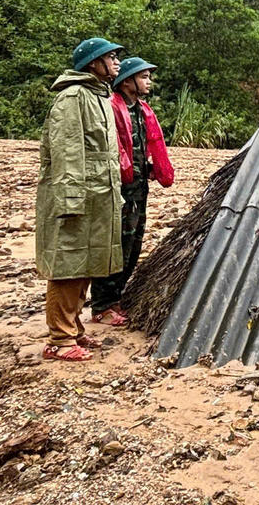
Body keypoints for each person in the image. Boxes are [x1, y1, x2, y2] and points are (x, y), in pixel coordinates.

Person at [36, 37, 125, 361]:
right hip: (77, 195)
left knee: (85, 262)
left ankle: (73, 329)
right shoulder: (73, 97)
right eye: (111, 57)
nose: (117, 62)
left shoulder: (97, 95)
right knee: (68, 264)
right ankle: (59, 340)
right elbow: (68, 149)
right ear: (93, 63)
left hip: (98, 194)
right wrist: (71, 198)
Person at [90, 56, 175, 326]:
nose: (149, 82)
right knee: (117, 244)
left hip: (138, 187)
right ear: (127, 81)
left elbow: (142, 148)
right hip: (118, 189)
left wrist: (151, 170)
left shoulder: (141, 110)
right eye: (144, 77)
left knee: (133, 243)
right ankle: (102, 305)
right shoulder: (111, 108)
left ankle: (115, 299)